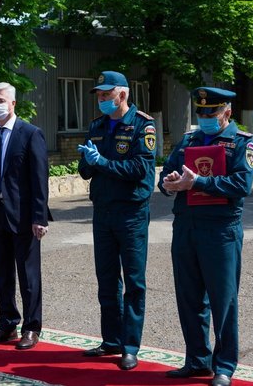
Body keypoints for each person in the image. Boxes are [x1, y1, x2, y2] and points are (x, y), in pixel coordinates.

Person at [158, 87, 253, 386]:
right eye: (201, 113)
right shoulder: (190, 140)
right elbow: (167, 173)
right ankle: (197, 359)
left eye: (211, 113)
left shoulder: (242, 142)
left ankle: (224, 366)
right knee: (189, 297)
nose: (205, 118)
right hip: (186, 227)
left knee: (223, 300)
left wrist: (199, 182)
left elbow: (241, 184)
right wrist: (169, 183)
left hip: (220, 229)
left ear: (227, 112)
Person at [76, 71, 156, 370]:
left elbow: (139, 169)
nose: (101, 99)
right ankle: (111, 340)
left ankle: (130, 346)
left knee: (134, 282)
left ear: (122, 94)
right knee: (107, 279)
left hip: (131, 212)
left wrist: (102, 163)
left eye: (106, 94)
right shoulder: (97, 126)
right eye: (99, 94)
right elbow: (85, 170)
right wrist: (88, 161)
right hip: (103, 211)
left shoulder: (143, 125)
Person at [0, 82, 51, 350]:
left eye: (1, 100)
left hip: (23, 216)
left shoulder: (30, 133)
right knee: (1, 273)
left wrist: (39, 218)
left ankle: (31, 327)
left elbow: (39, 179)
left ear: (13, 103)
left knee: (28, 276)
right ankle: (7, 323)